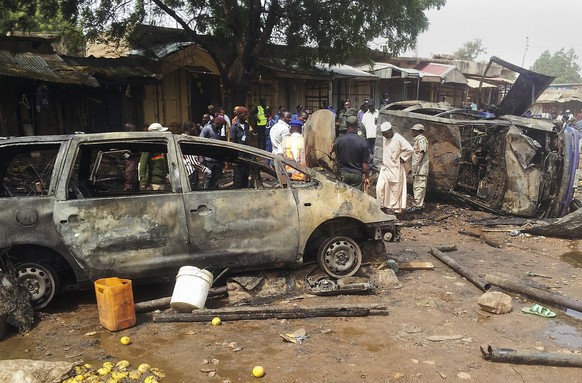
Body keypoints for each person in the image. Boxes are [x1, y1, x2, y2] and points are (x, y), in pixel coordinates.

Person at [376, 122, 413, 214]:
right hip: (385, 168)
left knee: (395, 191)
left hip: (395, 169)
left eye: (386, 133)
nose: (384, 135)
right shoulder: (385, 139)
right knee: (379, 188)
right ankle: (381, 207)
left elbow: (410, 149)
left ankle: (397, 212)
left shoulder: (398, 138)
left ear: (391, 130)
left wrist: (403, 157)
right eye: (383, 134)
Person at [333, 116, 370, 191]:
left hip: (342, 174)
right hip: (356, 176)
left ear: (346, 126)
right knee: (356, 199)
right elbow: (365, 164)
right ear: (357, 126)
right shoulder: (362, 142)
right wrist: (367, 177)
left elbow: (335, 159)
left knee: (342, 197)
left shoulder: (338, 140)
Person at [139, 123, 170, 191]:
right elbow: (143, 165)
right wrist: (143, 182)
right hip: (154, 184)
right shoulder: (148, 147)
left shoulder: (162, 147)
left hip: (163, 182)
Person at [407, 124, 429, 212]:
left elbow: (422, 153)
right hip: (418, 168)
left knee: (419, 187)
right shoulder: (418, 140)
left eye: (414, 130)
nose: (412, 132)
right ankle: (417, 205)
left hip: (421, 168)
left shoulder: (421, 140)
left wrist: (416, 165)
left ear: (419, 131)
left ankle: (418, 207)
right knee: (417, 186)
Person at [200, 116, 227, 189]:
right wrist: (201, 157)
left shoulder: (218, 131)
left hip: (217, 159)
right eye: (221, 125)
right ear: (218, 124)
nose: (222, 128)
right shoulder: (207, 129)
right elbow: (200, 142)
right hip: (208, 159)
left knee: (217, 178)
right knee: (208, 177)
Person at [230, 107, 251, 187]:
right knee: (238, 178)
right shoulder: (234, 127)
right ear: (238, 115)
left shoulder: (246, 126)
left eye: (247, 114)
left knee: (245, 176)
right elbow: (232, 143)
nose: (246, 116)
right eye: (244, 114)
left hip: (246, 156)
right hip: (238, 156)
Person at [122, 122, 140, 191]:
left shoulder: (136, 142)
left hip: (136, 179)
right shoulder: (123, 143)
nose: (134, 132)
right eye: (132, 130)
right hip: (129, 181)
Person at [361, 101, 378, 165]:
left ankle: (375, 166)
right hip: (368, 137)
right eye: (369, 106)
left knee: (375, 152)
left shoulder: (378, 113)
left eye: (371, 106)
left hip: (376, 136)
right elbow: (362, 126)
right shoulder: (365, 115)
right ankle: (370, 166)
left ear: (374, 105)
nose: (370, 107)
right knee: (369, 152)